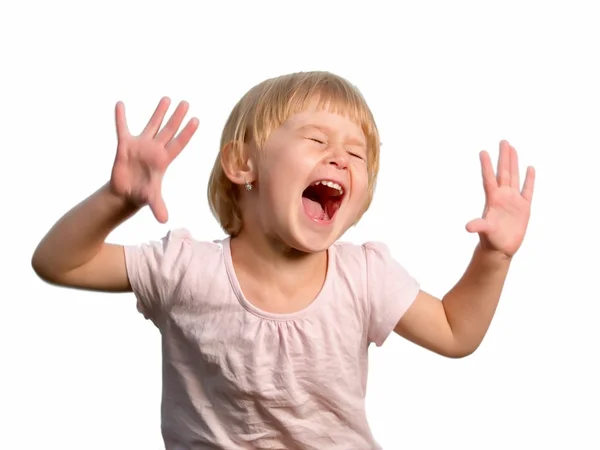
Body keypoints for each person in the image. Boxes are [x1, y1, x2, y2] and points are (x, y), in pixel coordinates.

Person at [31, 71, 535, 449]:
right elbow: (60, 263)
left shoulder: (363, 276)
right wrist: (116, 201)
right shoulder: (184, 270)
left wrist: (494, 254)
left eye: (357, 154)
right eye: (317, 139)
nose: (340, 157)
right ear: (242, 164)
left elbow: (455, 331)